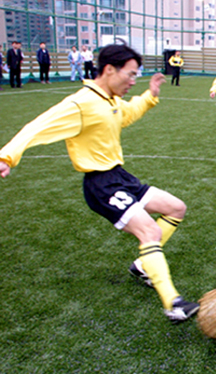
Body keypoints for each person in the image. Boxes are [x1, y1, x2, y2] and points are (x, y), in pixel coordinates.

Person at [0, 43, 199, 324]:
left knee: (176, 208)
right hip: (100, 185)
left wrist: (149, 96)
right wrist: (7, 156)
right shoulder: (81, 103)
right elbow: (39, 126)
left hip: (120, 177)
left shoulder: (112, 100)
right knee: (150, 233)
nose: (133, 81)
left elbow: (126, 115)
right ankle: (173, 304)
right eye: (130, 75)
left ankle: (143, 266)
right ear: (108, 70)